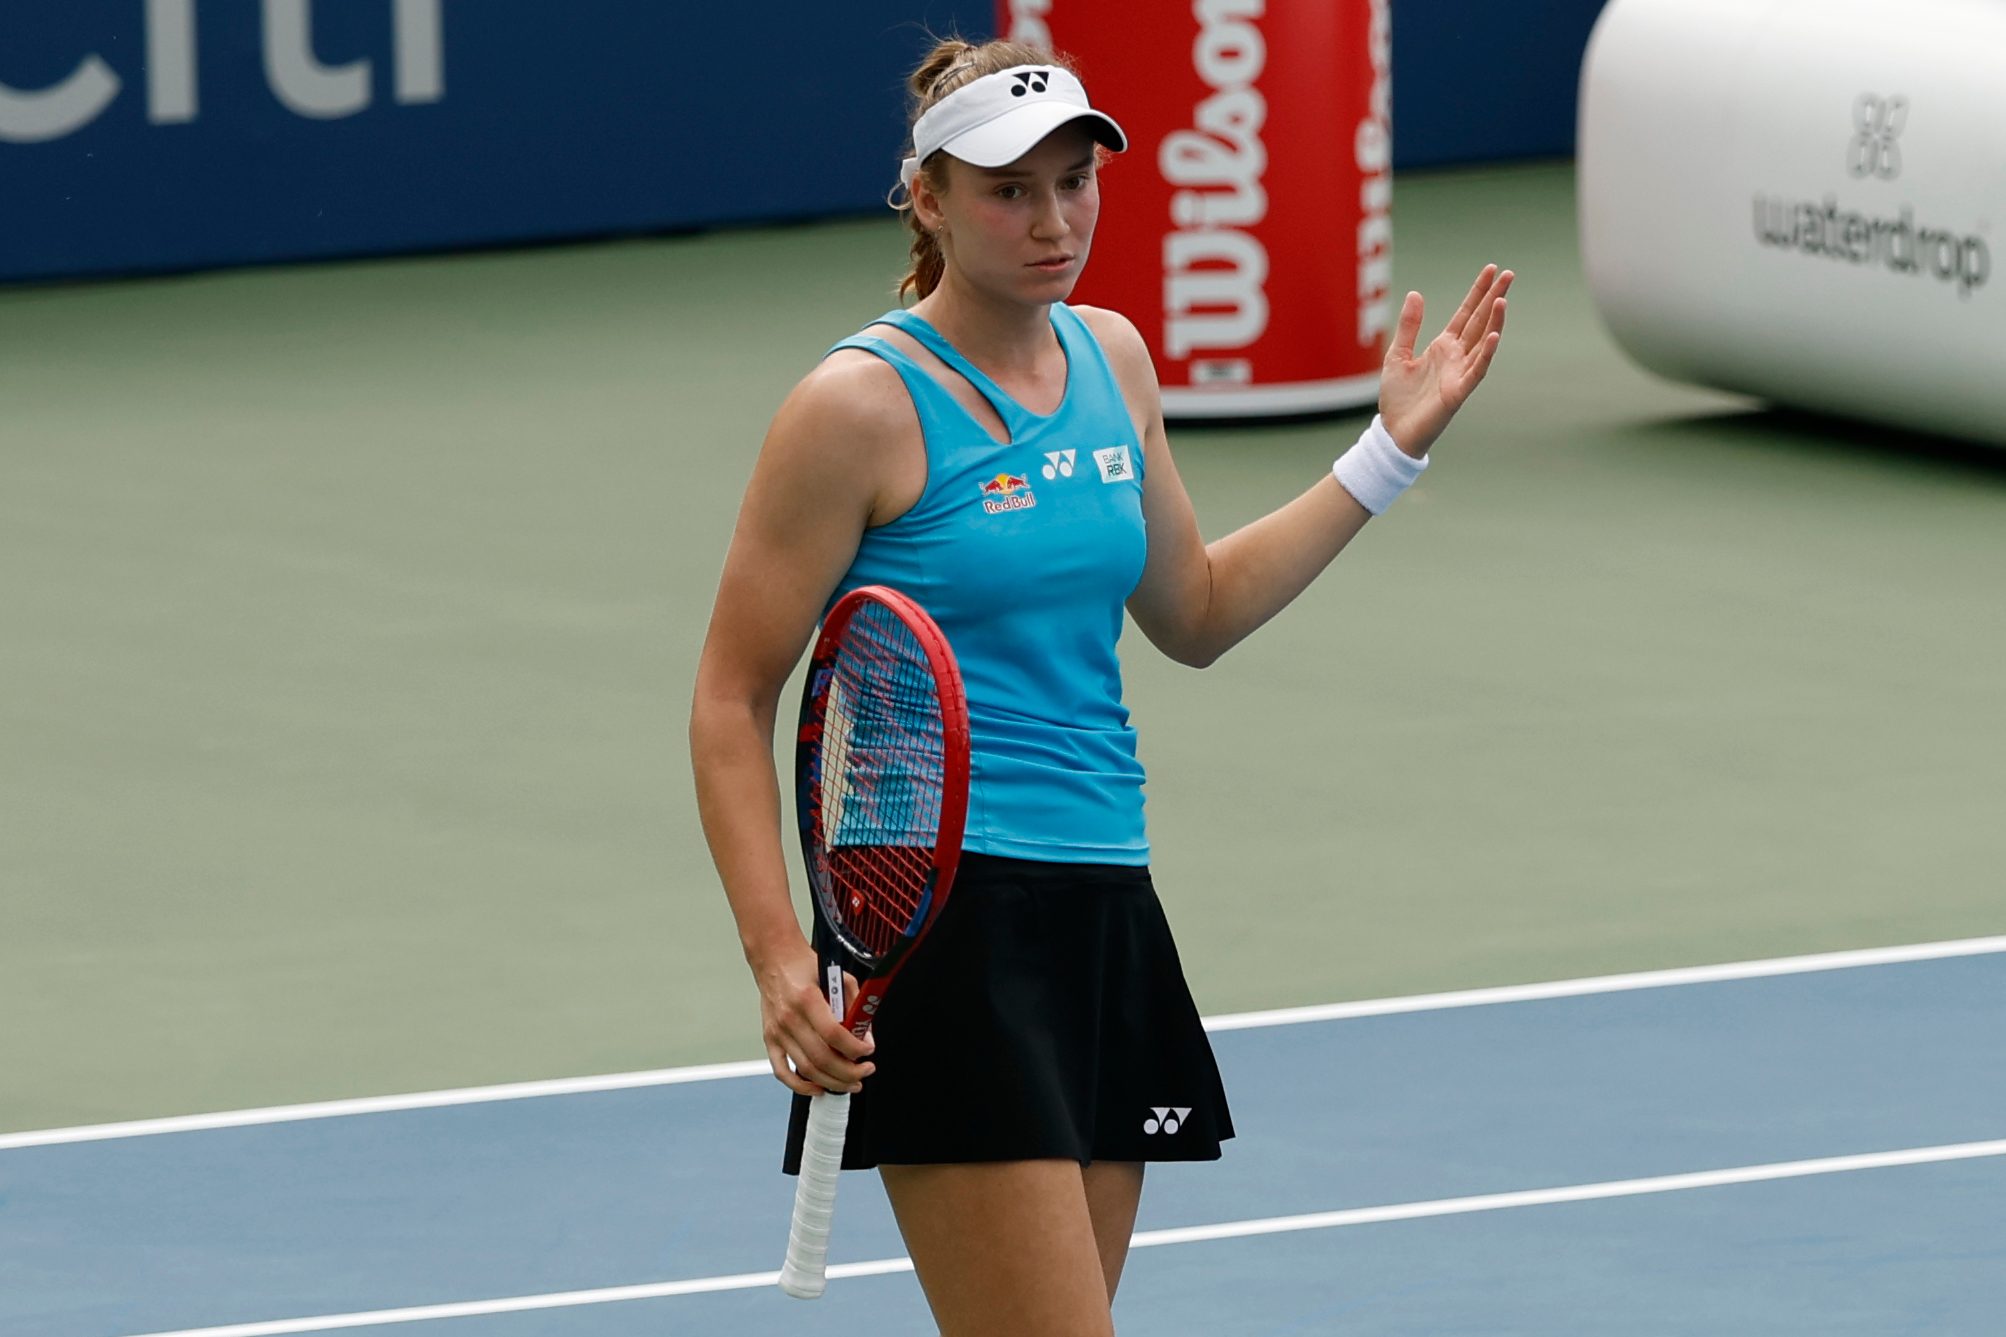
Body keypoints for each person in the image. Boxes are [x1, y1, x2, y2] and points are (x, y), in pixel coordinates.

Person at [690, 36, 1511, 1336]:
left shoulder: (1114, 361)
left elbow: (1193, 612)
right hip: (945, 932)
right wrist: (778, 956)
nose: (1053, 219)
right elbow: (731, 699)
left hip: (1102, 907)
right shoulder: (855, 408)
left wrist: (1383, 455)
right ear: (928, 199)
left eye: (1075, 182)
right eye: (1010, 191)